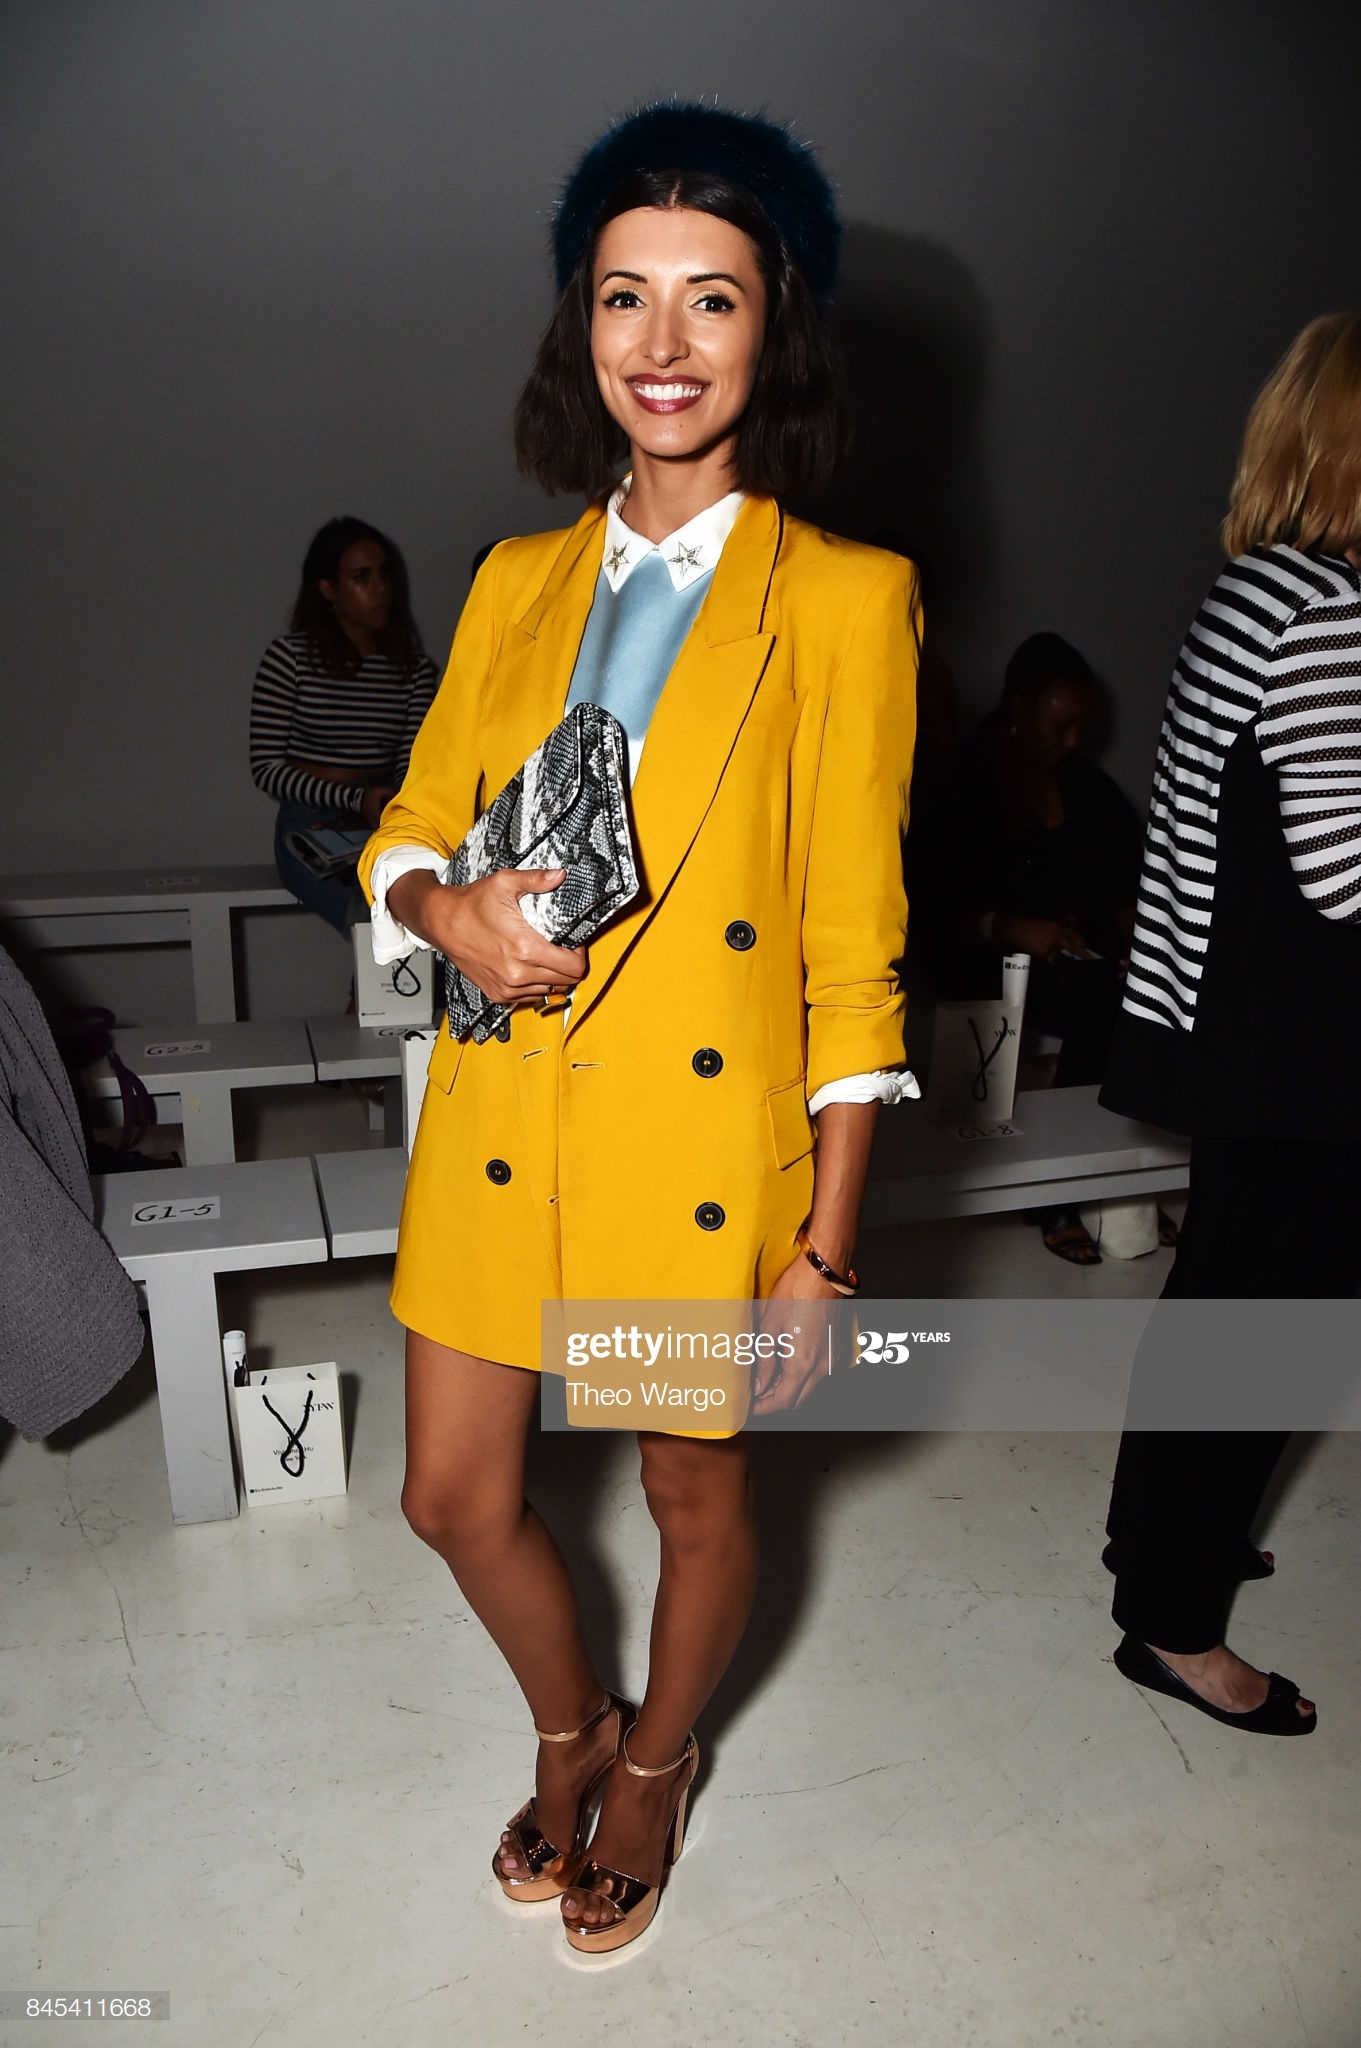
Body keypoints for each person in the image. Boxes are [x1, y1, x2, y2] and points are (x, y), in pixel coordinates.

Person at [358, 103, 920, 1955]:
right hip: (501, 1112)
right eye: (623, 296)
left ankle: (657, 1762)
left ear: (776, 330)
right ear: (579, 325)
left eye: (711, 299)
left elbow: (852, 948)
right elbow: (410, 820)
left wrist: (827, 1247)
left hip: (691, 1141)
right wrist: (442, 910)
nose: (661, 344)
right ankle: (571, 1721)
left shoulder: (845, 600)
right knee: (451, 1494)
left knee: (689, 1491)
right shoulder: (514, 580)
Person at [1099, 310, 1361, 1737]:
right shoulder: (1328, 614)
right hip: (1300, 1050)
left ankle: (1163, 1544)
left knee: (1224, 1306)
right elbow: (1345, 871)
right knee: (1262, 1326)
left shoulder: (1259, 589)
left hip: (1247, 1035)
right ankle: (1175, 1622)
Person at [940, 632, 1143, 1260]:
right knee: (1075, 1002)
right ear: (1018, 707)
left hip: (1071, 960)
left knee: (1118, 999)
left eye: (1080, 727)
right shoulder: (963, 781)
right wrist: (1010, 926)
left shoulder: (1089, 788)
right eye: (1059, 727)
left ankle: (1105, 1186)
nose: (1073, 741)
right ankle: (1057, 1196)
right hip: (981, 956)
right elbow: (932, 911)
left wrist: (1138, 940)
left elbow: (1125, 888)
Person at [250, 517, 438, 935]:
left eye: (384, 574)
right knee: (364, 917)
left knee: (414, 909)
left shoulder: (414, 670)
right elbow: (266, 768)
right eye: (361, 577)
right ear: (328, 589)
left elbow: (411, 762)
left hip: (385, 812)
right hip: (311, 818)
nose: (380, 588)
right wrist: (354, 797)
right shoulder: (288, 659)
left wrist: (387, 803)